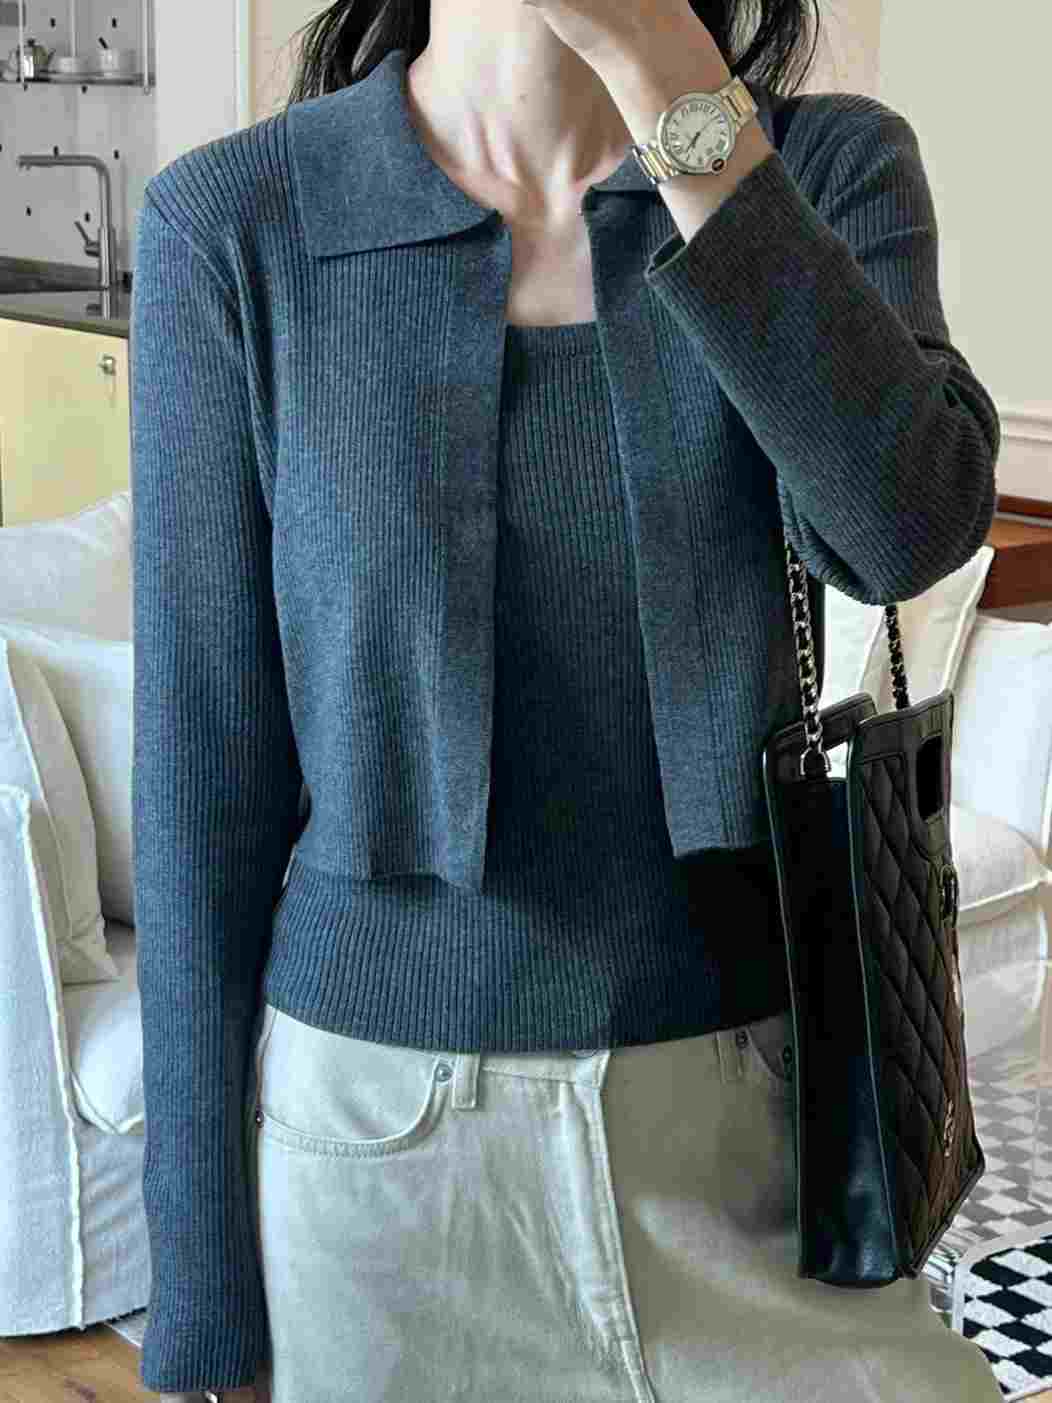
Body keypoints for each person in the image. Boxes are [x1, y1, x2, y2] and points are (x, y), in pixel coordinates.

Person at [130, 0, 1004, 1399]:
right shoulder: (235, 224)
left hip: (761, 1148)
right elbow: (199, 784)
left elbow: (905, 529)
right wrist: (203, 1305)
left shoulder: (822, 169)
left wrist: (666, 72)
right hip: (380, 1176)